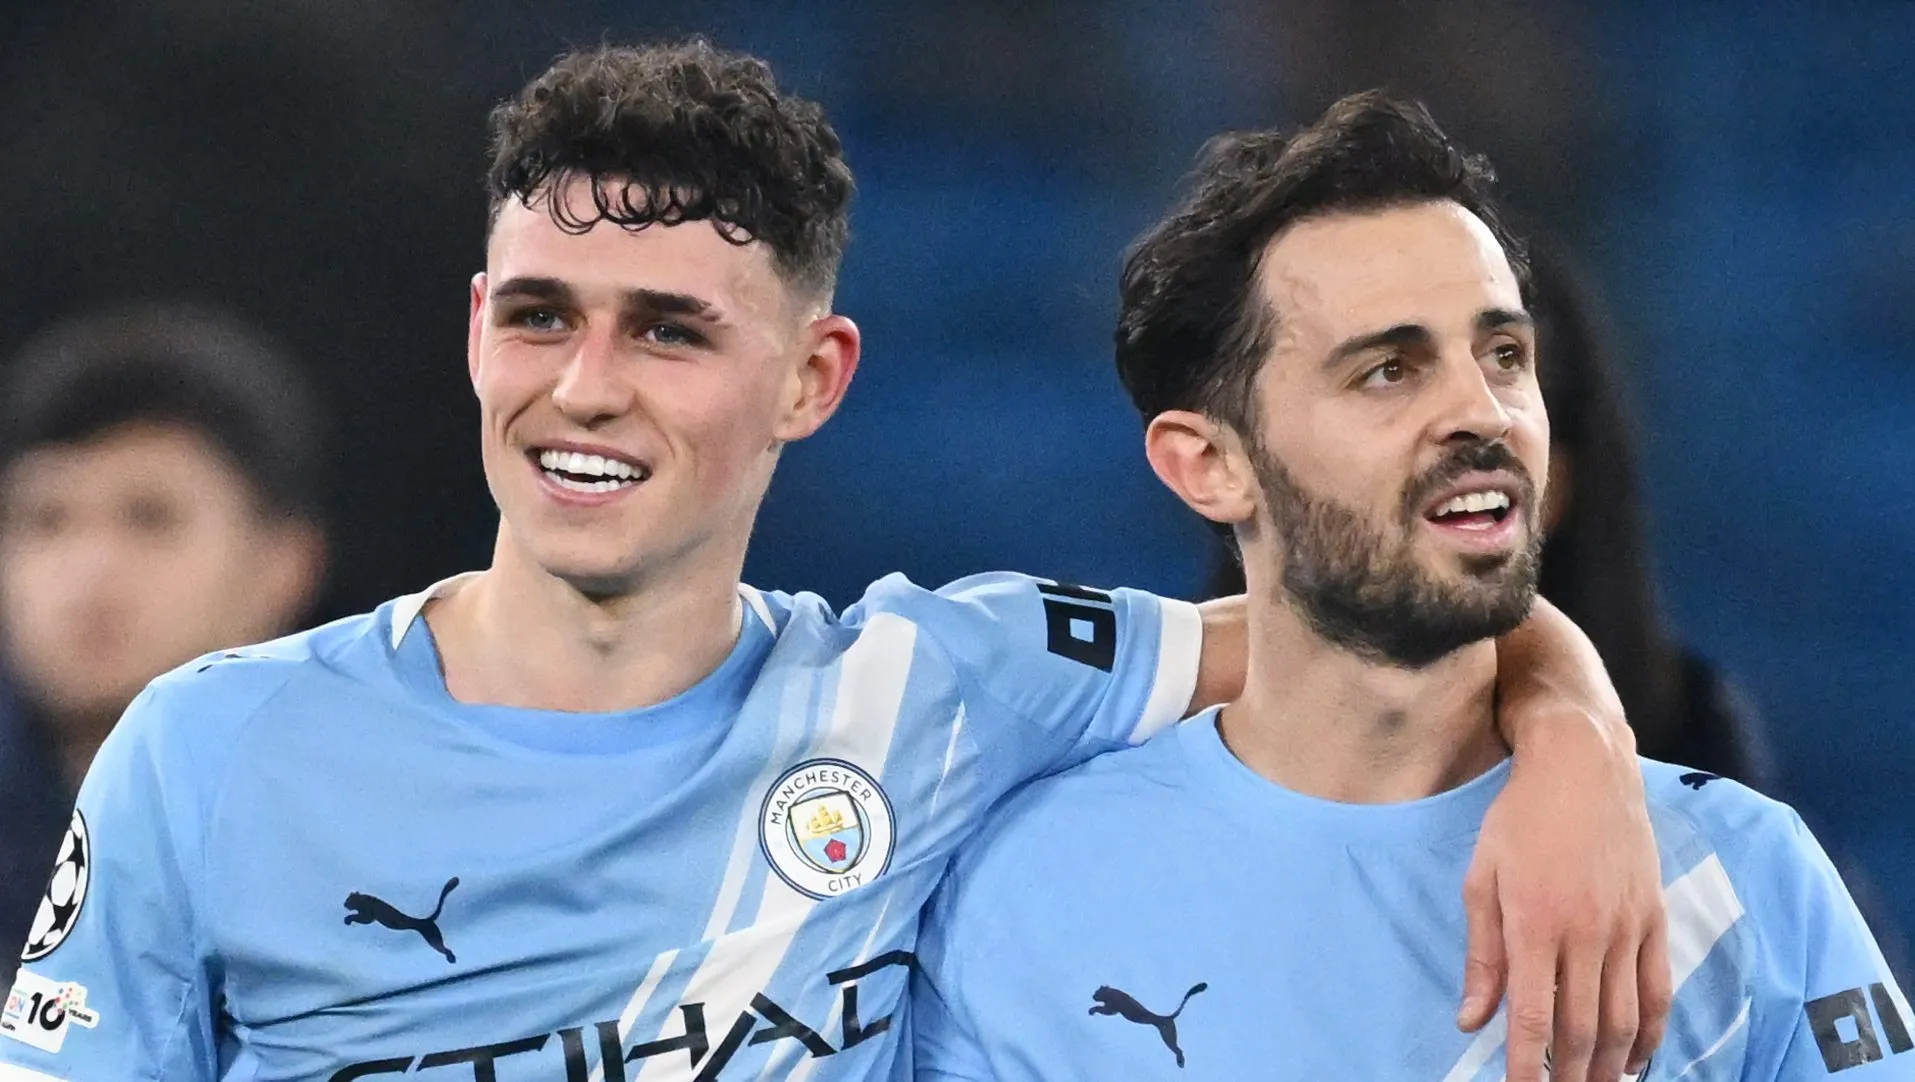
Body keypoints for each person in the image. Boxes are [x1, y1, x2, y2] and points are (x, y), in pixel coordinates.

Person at [2, 43, 1660, 1082]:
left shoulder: (938, 685)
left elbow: (1376, 626)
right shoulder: (210, 750)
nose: (586, 385)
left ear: (813, 377)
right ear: (475, 333)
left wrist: (1583, 748)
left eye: (668, 331)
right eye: (540, 316)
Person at [909, 92, 1912, 1081]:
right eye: (1388, 369)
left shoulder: (1731, 870)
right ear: (1209, 464)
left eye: (1503, 355)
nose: (1482, 412)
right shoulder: (1025, 899)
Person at [0, 305, 327, 987]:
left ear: (283, 564)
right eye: (45, 520)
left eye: (150, 518)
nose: (89, 570)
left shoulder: (390, 834)